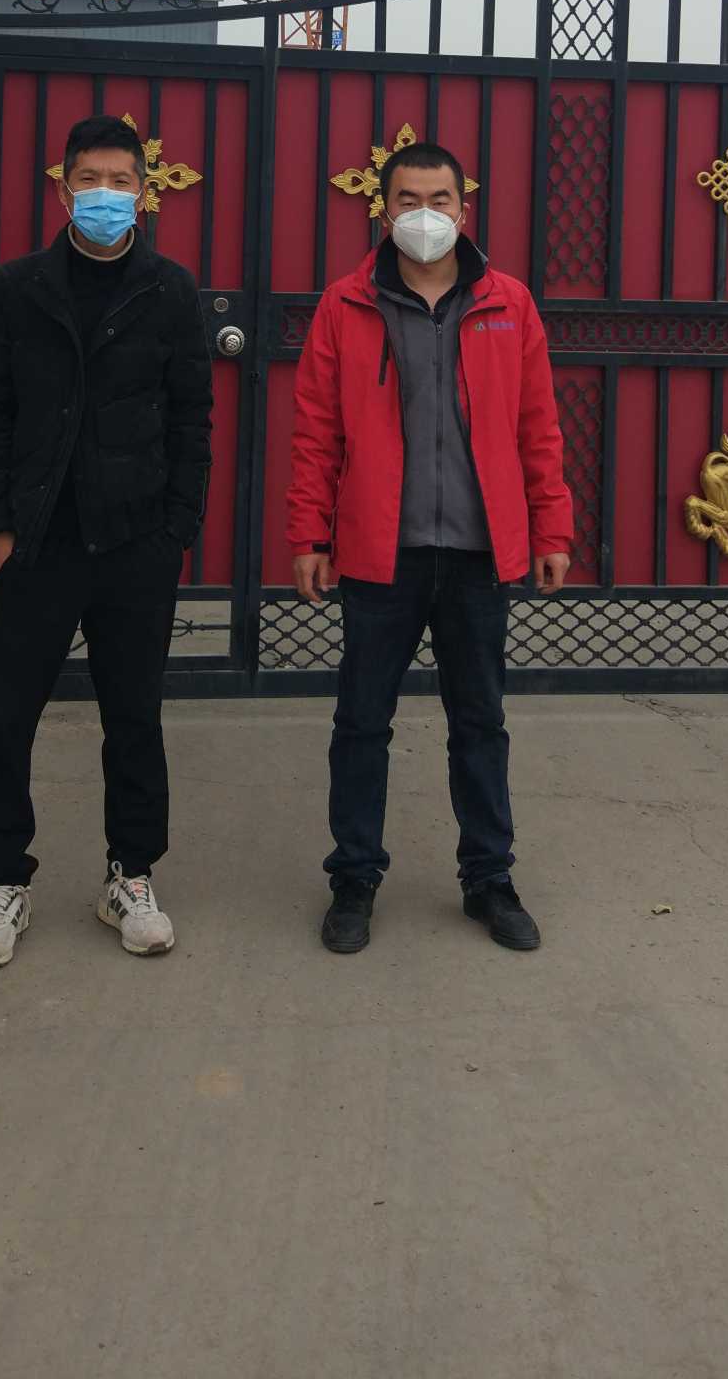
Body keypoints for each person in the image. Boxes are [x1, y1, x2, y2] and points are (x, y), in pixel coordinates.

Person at [288, 141, 573, 955]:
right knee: (361, 722)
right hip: (382, 549)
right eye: (408, 199)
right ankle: (354, 879)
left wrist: (551, 527)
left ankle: (489, 879)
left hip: (479, 552)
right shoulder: (346, 304)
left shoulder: (508, 303)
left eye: (439, 199)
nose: (425, 214)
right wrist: (309, 532)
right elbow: (316, 429)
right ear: (384, 211)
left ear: (463, 208)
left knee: (480, 722)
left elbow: (538, 426)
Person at [0, 115, 213, 967]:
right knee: (9, 718)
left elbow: (193, 421)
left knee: (134, 715)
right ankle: (4, 880)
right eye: (90, 179)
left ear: (145, 192)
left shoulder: (169, 291)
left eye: (121, 181)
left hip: (136, 541)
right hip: (38, 540)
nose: (106, 194)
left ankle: (130, 876)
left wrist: (175, 530)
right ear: (63, 188)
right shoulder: (17, 288)